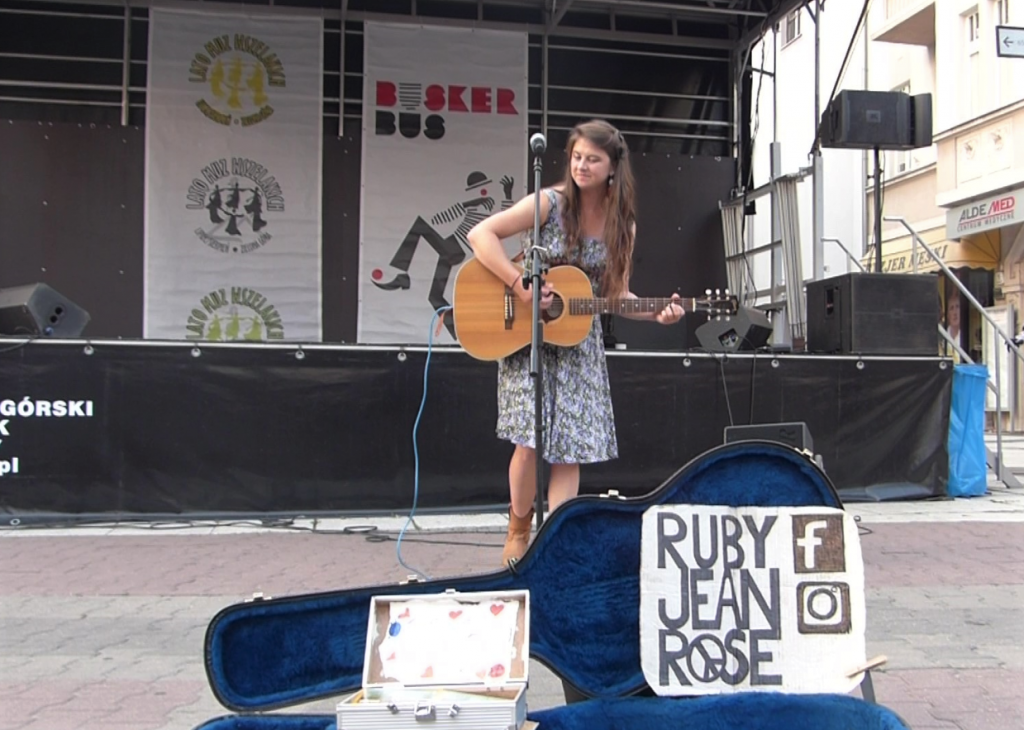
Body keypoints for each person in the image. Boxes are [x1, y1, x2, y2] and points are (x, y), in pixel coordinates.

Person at [466, 119, 685, 568]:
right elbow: (479, 236)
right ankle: (518, 528)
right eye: (577, 156)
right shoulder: (548, 203)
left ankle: (557, 544)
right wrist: (518, 284)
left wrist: (655, 313)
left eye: (593, 159)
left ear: (612, 168)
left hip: (578, 344)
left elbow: (617, 297)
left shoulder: (623, 225)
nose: (582, 166)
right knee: (528, 441)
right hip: (528, 338)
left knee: (569, 451)